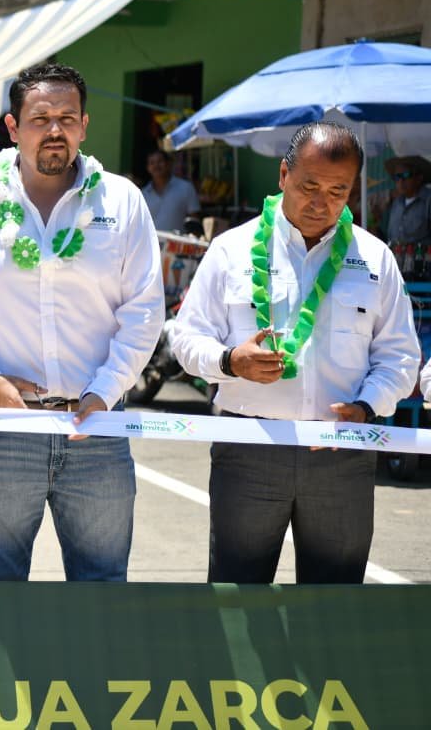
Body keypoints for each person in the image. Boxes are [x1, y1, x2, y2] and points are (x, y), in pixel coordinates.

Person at [0, 62, 164, 582]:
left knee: (102, 587)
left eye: (67, 118)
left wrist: (105, 391)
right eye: (40, 118)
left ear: (84, 124)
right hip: (1, 427)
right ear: (12, 127)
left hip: (97, 427)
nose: (55, 130)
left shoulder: (121, 201)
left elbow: (143, 311)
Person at [171, 121, 418, 584]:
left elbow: (399, 356)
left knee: (334, 600)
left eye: (338, 191)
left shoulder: (375, 258)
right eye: (309, 186)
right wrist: (230, 362)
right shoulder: (231, 250)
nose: (321, 203)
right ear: (283, 174)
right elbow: (185, 339)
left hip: (342, 453)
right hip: (249, 449)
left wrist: (366, 407)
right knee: (235, 594)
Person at [141, 149, 200, 233]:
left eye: (160, 161)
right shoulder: (143, 194)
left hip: (178, 244)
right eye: (152, 163)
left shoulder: (186, 188)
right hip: (151, 245)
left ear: (168, 164)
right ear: (148, 168)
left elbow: (194, 221)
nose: (156, 166)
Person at [384, 155, 431, 248]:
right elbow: (391, 238)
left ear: (419, 178)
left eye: (406, 175)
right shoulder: (397, 203)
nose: (401, 181)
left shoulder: (428, 201)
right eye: (397, 177)